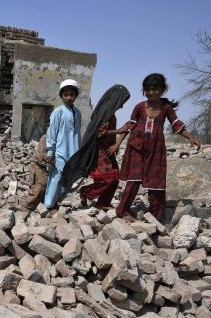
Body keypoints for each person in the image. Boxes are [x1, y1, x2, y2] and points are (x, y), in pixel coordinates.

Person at [112, 73, 202, 221]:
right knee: (134, 179)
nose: (151, 92)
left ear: (162, 90)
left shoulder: (166, 107)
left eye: (155, 89)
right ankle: (122, 210)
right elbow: (129, 126)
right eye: (148, 89)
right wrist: (117, 144)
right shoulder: (139, 107)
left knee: (156, 180)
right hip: (136, 146)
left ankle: (156, 215)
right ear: (144, 90)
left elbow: (176, 124)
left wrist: (190, 137)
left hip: (156, 148)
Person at [72, 85, 133, 209]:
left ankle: (103, 203)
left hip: (109, 150)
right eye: (122, 101)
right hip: (99, 151)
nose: (122, 105)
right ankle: (85, 192)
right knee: (108, 179)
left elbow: (114, 132)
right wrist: (118, 130)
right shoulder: (105, 111)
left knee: (115, 178)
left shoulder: (111, 113)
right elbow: (98, 132)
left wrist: (117, 142)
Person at [43, 79, 83, 209]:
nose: (69, 97)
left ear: (76, 95)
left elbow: (77, 133)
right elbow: (52, 132)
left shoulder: (78, 113)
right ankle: (49, 204)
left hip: (74, 152)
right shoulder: (58, 112)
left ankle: (59, 201)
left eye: (71, 94)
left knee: (68, 178)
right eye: (66, 95)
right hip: (60, 151)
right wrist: (50, 152)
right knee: (56, 177)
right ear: (61, 96)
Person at [20, 135, 51, 212]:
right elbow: (42, 157)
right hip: (38, 167)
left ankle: (49, 208)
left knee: (46, 190)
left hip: (46, 168)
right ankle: (24, 209)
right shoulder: (46, 138)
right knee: (38, 189)